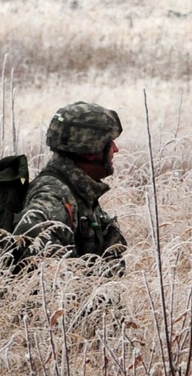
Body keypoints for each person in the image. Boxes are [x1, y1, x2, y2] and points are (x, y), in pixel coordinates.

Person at [10, 101, 128, 276]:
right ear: (90, 151)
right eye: (110, 144)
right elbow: (29, 233)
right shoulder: (54, 195)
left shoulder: (77, 188)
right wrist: (70, 289)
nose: (116, 150)